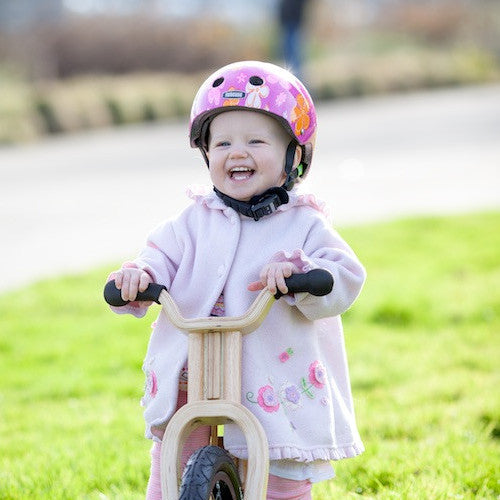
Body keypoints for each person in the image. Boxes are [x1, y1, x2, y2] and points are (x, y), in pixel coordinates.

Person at [107, 60, 365, 500]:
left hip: (269, 373)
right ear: (206, 153)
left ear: (294, 154)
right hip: (196, 367)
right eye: (222, 141)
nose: (236, 152)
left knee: (278, 470)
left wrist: (303, 275)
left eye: (256, 140)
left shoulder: (304, 223)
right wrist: (139, 275)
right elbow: (158, 256)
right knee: (172, 461)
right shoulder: (192, 219)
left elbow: (344, 273)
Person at [278, 0, 309, 79]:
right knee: (289, 53)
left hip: (293, 20)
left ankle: (296, 79)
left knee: (293, 53)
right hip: (289, 21)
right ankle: (295, 78)